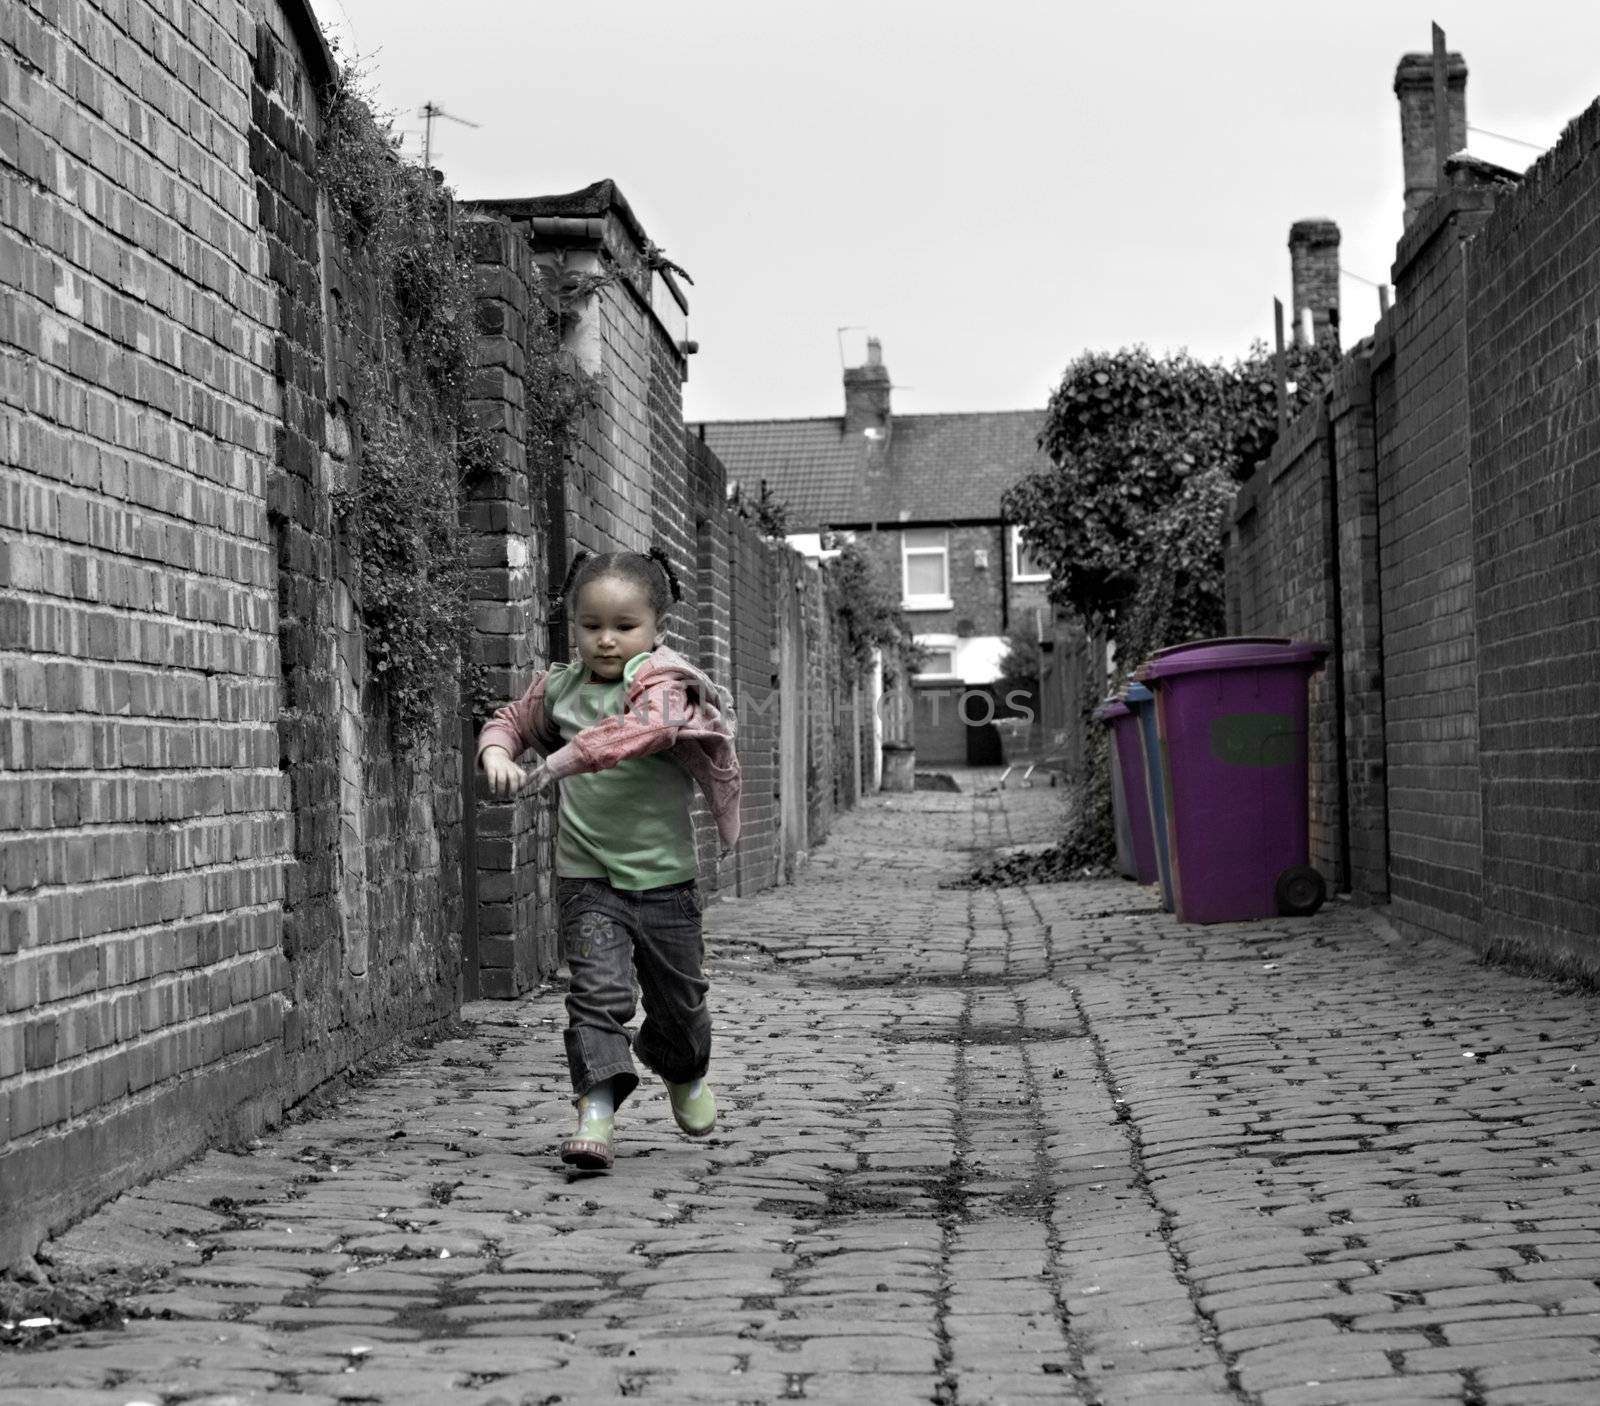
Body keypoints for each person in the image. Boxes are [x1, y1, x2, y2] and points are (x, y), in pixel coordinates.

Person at [476, 546, 741, 1171]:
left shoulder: (667, 687)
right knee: (596, 995)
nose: (606, 640)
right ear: (574, 628)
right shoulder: (560, 690)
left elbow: (632, 735)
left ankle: (682, 1067)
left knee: (680, 1003)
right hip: (588, 878)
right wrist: (496, 752)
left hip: (667, 882)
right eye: (591, 626)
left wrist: (553, 766)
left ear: (657, 630)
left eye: (625, 627)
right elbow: (512, 720)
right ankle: (595, 1111)